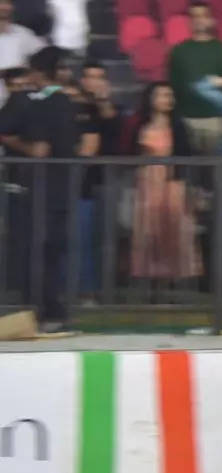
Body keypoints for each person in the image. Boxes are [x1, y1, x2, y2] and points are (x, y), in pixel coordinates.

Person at [2, 46, 76, 330]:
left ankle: (41, 312)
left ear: (36, 72)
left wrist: (12, 142)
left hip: (36, 186)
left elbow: (39, 150)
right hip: (62, 186)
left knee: (32, 249)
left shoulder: (29, 101)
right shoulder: (66, 102)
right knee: (52, 251)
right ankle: (55, 312)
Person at [129, 82, 201, 281]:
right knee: (149, 229)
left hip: (172, 183)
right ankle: (148, 277)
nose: (166, 100)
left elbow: (187, 155)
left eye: (169, 96)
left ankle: (175, 278)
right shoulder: (140, 125)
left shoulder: (179, 126)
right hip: (147, 183)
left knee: (173, 228)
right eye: (161, 95)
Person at [73, 60, 120, 300]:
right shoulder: (71, 105)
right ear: (82, 80)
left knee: (100, 240)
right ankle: (79, 290)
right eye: (90, 76)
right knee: (79, 237)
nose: (95, 81)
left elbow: (112, 122)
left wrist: (102, 101)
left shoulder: (110, 108)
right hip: (77, 182)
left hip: (104, 180)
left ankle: (97, 291)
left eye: (99, 77)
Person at [167, 0, 222, 154]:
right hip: (186, 120)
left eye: (204, 16)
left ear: (211, 20)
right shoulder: (179, 51)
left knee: (215, 171)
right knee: (188, 170)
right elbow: (174, 86)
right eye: (194, 16)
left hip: (215, 120)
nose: (199, 20)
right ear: (189, 21)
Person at [0, 0, 43, 105]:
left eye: (7, 3)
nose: (4, 6)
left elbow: (46, 60)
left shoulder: (24, 34)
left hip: (21, 101)